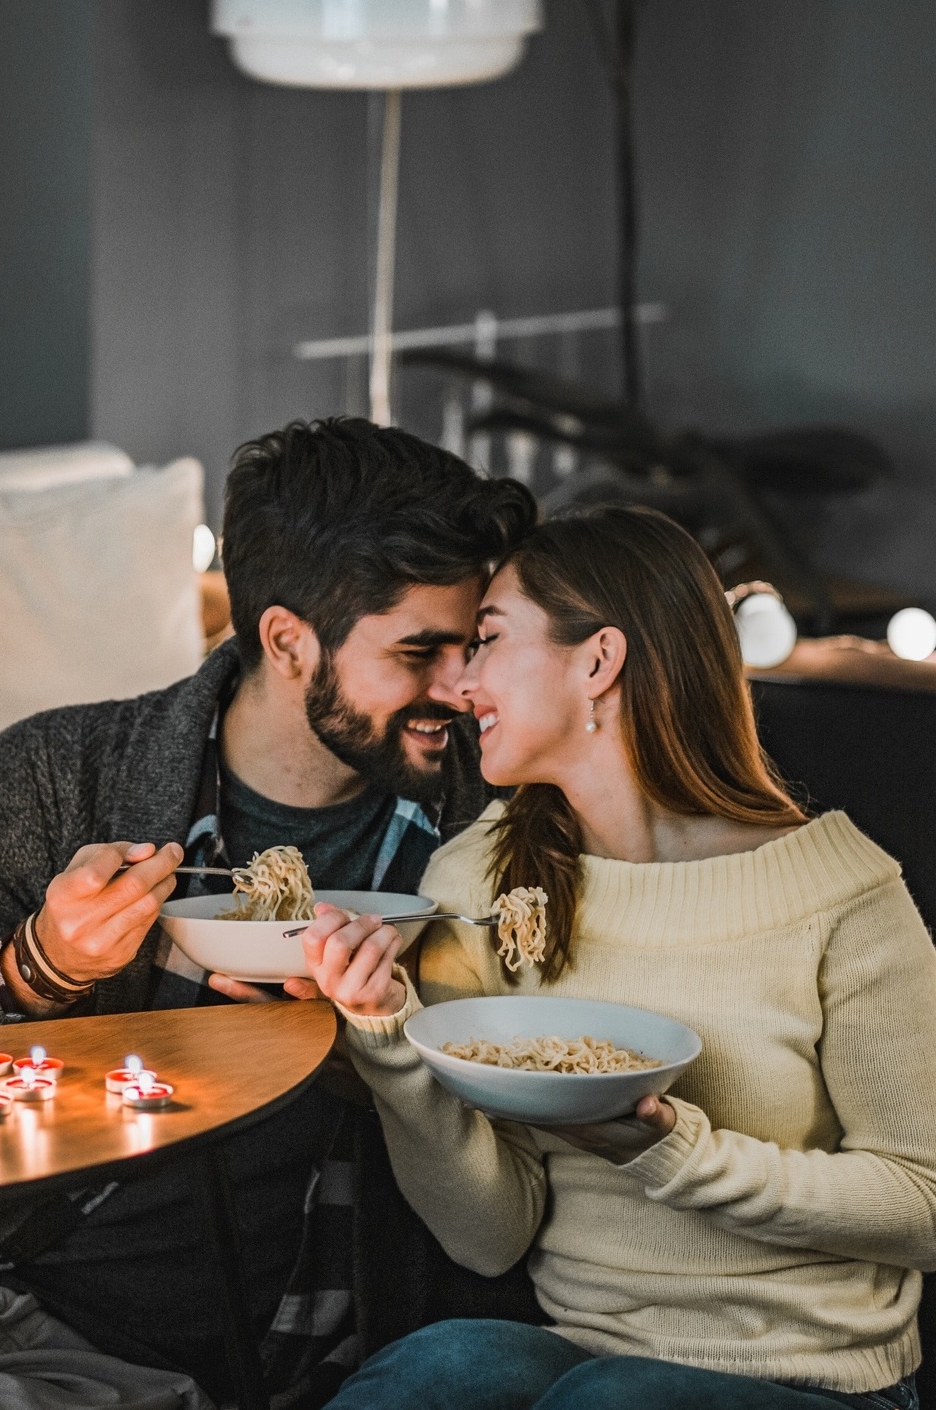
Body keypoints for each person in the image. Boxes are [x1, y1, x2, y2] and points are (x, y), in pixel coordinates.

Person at [0, 418, 537, 1404]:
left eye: (474, 645)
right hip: (36, 1307)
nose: (461, 686)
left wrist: (381, 1052)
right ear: (285, 639)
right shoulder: (56, 779)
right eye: (418, 651)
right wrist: (37, 969)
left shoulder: (503, 815)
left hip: (364, 1336)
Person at [301, 504, 935, 1410]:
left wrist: (673, 1152)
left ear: (597, 661)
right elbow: (488, 1239)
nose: (460, 683)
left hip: (812, 1375)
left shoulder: (840, 896)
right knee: (434, 1370)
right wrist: (387, 1038)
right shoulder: (482, 881)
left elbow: (923, 1202)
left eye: (487, 639)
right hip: (579, 1350)